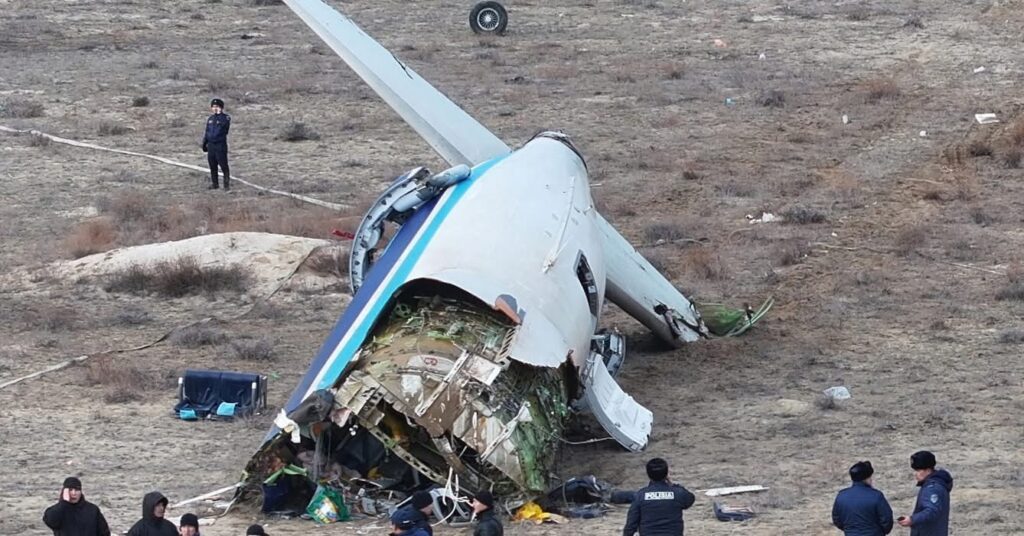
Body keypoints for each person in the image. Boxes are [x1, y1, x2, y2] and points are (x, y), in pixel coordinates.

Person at [623, 458, 696, 536]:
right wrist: (673, 485)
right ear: (667, 473)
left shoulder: (640, 495)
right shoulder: (678, 493)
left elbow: (631, 525)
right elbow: (690, 499)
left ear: (648, 474)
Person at [897, 451, 953, 536]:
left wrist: (912, 520)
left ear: (928, 470)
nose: (915, 474)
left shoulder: (932, 488)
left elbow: (931, 511)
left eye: (919, 470)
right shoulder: (936, 484)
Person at [831, 461, 894, 535]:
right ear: (866, 478)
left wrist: (850, 530)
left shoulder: (841, 496)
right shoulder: (876, 496)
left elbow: (837, 519)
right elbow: (887, 519)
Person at [42, 476, 111, 536]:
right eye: (70, 490)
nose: (74, 493)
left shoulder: (92, 510)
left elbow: (104, 533)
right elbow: (50, 521)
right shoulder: (58, 510)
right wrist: (64, 503)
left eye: (77, 490)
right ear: (64, 492)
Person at [201, 98, 231, 191]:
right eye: (213, 107)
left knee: (223, 166)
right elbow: (207, 132)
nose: (215, 108)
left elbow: (224, 128)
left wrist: (219, 114)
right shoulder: (210, 119)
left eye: (217, 107)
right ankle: (215, 184)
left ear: (221, 107)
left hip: (220, 145)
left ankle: (226, 185)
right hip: (211, 146)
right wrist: (204, 143)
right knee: (212, 165)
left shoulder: (225, 118)